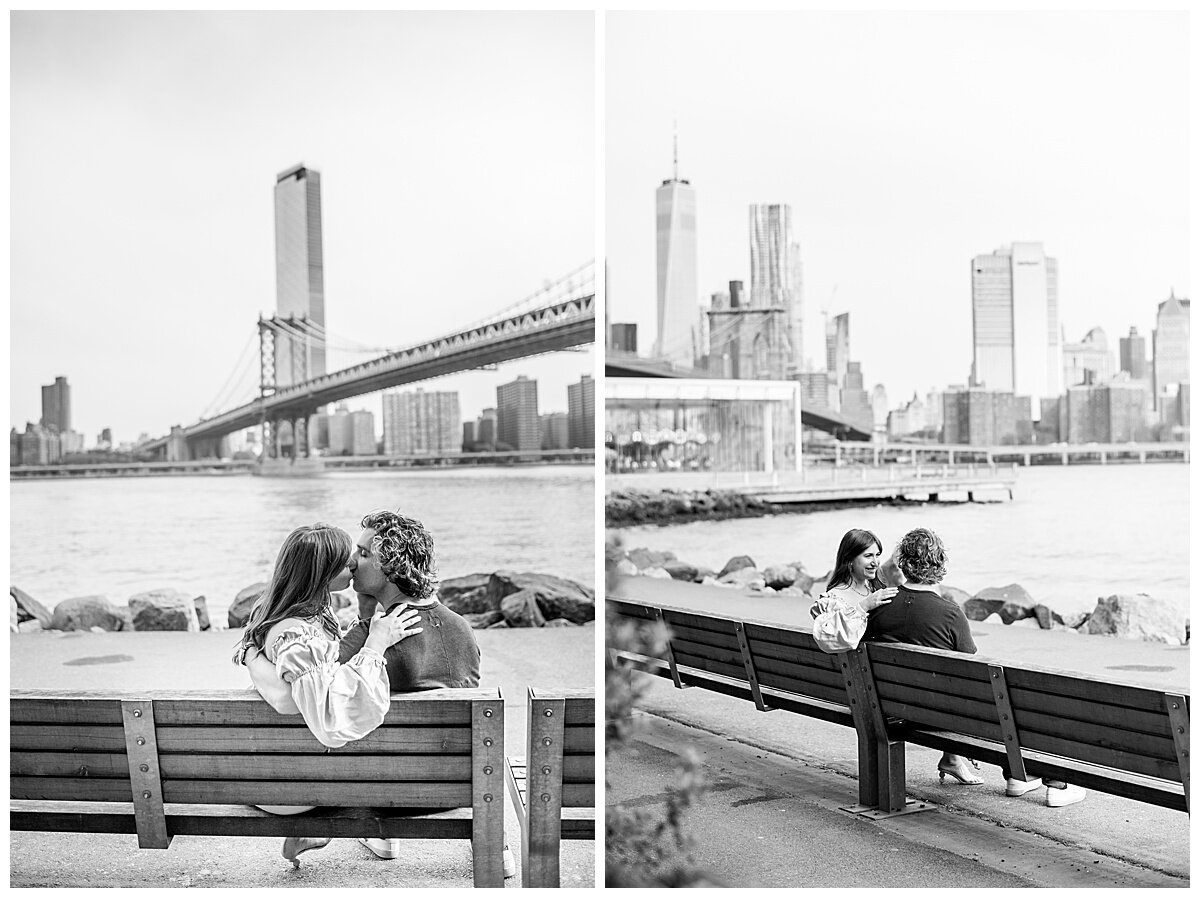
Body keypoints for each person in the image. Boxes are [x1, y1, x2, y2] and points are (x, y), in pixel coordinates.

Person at [246, 511, 499, 867]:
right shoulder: (462, 629)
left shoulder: (371, 637)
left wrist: (253, 655)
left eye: (364, 554)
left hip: (384, 791)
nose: (352, 561)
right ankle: (493, 845)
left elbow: (323, 708)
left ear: (391, 569)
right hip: (460, 786)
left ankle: (373, 832)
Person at [232, 524, 425, 863]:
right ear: (321, 572)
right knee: (376, 756)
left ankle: (313, 831)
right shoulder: (298, 634)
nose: (353, 563)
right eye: (344, 559)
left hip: (273, 767)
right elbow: (302, 705)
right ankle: (324, 828)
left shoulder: (296, 615)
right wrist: (375, 644)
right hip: (286, 788)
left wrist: (366, 617)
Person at [863, 527, 1085, 807]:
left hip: (891, 709)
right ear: (941, 564)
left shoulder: (879, 604)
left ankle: (996, 770)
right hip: (938, 717)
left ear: (902, 564)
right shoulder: (950, 613)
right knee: (1014, 707)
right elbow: (967, 663)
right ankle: (1049, 781)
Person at [809, 528, 899, 653]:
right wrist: (863, 606)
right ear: (849, 559)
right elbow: (828, 640)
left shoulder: (876, 590)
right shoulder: (832, 601)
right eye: (868, 556)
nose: (875, 563)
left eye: (877, 555)